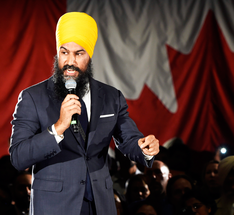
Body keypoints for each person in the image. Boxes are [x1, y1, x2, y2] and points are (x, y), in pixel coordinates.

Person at [9, 12, 159, 215]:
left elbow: (129, 139)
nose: (70, 61)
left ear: (89, 54)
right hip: (55, 206)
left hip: (100, 204)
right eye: (64, 52)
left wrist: (145, 149)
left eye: (78, 53)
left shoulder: (111, 97)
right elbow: (18, 156)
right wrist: (57, 128)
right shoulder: (33, 97)